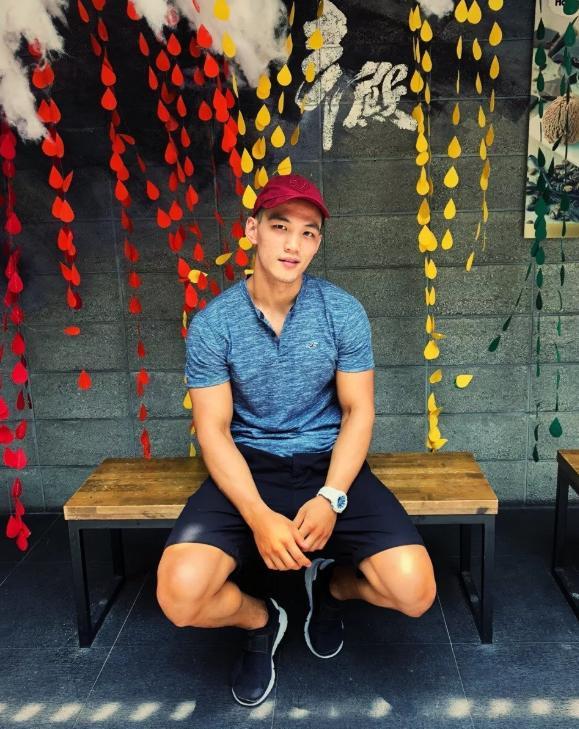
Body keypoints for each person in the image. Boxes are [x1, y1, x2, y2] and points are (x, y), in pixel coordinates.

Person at [156, 173, 437, 707]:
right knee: (180, 596)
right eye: (280, 226)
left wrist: (332, 496)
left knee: (414, 591)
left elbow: (358, 410)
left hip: (329, 464)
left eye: (308, 233)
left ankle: (330, 588)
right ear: (252, 230)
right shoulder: (215, 324)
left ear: (318, 243)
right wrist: (258, 515)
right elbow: (213, 429)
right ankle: (262, 620)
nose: (293, 244)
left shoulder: (342, 311)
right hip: (249, 464)